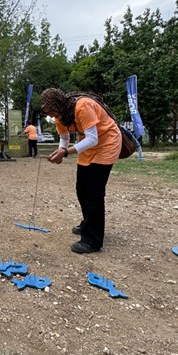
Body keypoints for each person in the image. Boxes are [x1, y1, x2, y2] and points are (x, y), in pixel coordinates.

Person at [41, 88, 121, 254]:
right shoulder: (59, 117)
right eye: (49, 112)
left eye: (53, 110)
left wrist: (66, 152)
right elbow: (64, 138)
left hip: (106, 144)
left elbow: (93, 138)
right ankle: (89, 223)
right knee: (81, 189)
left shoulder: (83, 106)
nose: (53, 115)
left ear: (59, 103)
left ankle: (93, 240)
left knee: (94, 193)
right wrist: (60, 151)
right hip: (87, 148)